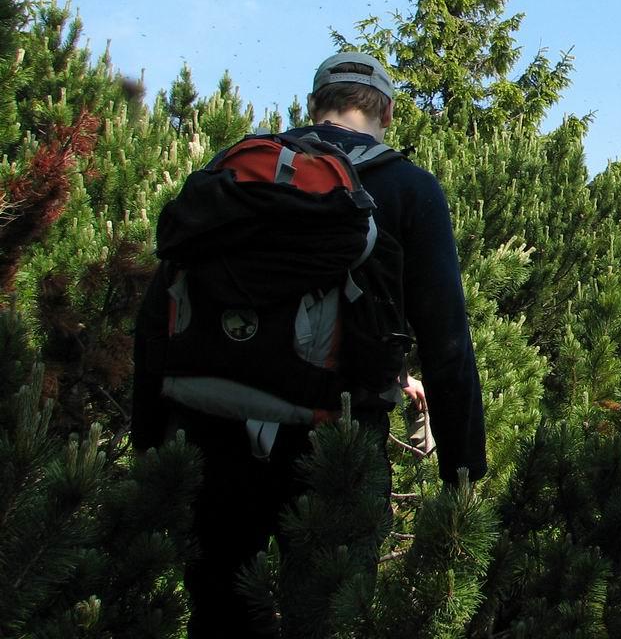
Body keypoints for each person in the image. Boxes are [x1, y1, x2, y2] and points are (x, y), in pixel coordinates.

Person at [131, 52, 486, 637]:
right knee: (327, 617)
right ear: (387, 112)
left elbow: (158, 312)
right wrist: (463, 477)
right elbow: (448, 346)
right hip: (336, 441)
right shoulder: (409, 188)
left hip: (211, 431)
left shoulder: (239, 168)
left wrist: (149, 446)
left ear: (313, 104)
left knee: (220, 616)